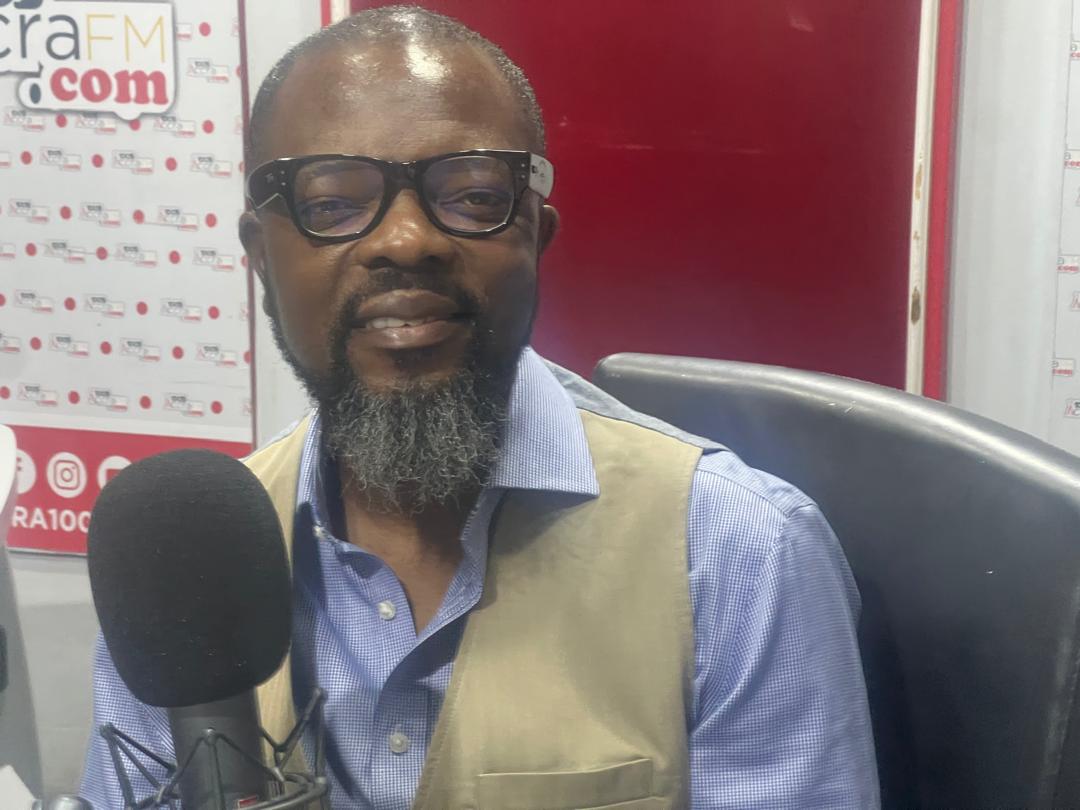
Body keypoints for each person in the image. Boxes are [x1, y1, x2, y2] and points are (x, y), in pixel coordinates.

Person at [81, 6, 879, 808]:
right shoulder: (182, 563)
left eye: (472, 196)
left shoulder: (736, 555)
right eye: (331, 204)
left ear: (536, 235)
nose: (405, 241)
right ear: (261, 258)